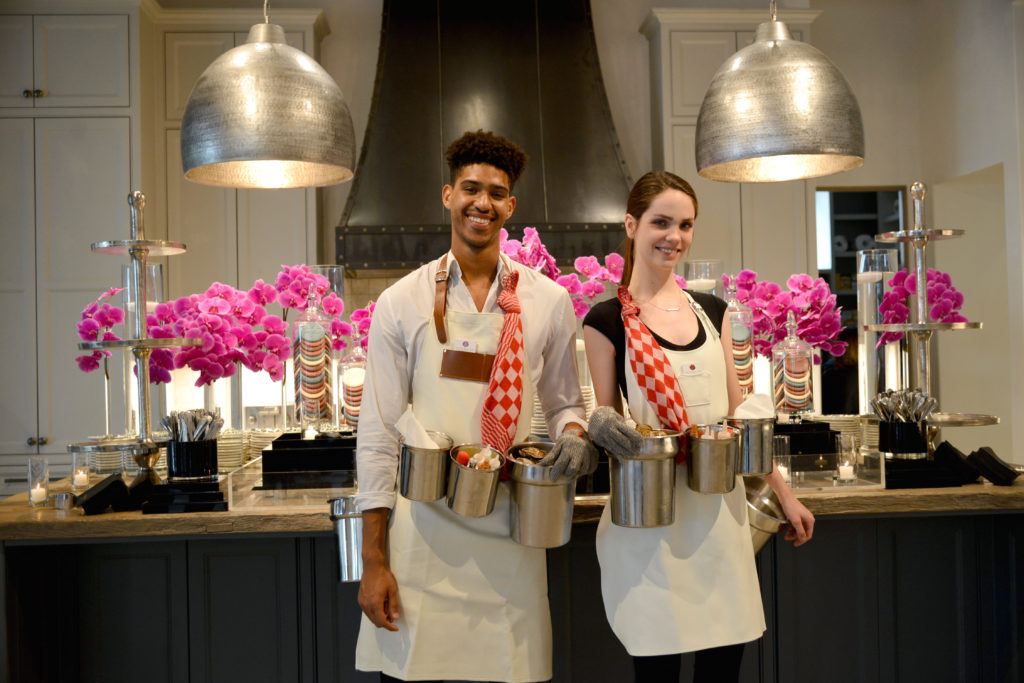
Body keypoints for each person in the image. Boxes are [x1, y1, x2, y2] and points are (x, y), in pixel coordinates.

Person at [354, 129, 597, 683]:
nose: (481, 202)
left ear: (510, 205)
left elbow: (563, 402)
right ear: (448, 195)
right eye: (470, 188)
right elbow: (378, 435)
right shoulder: (402, 301)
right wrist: (374, 561)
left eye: (495, 191)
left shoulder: (549, 301)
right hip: (422, 531)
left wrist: (576, 434)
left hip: (513, 522)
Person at [582, 171, 815, 683]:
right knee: (657, 671)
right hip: (651, 522)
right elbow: (607, 417)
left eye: (685, 225)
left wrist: (784, 494)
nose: (674, 237)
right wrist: (598, 425)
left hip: (719, 520)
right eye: (660, 222)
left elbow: (739, 417)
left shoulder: (713, 312)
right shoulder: (606, 321)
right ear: (631, 224)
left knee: (722, 669)